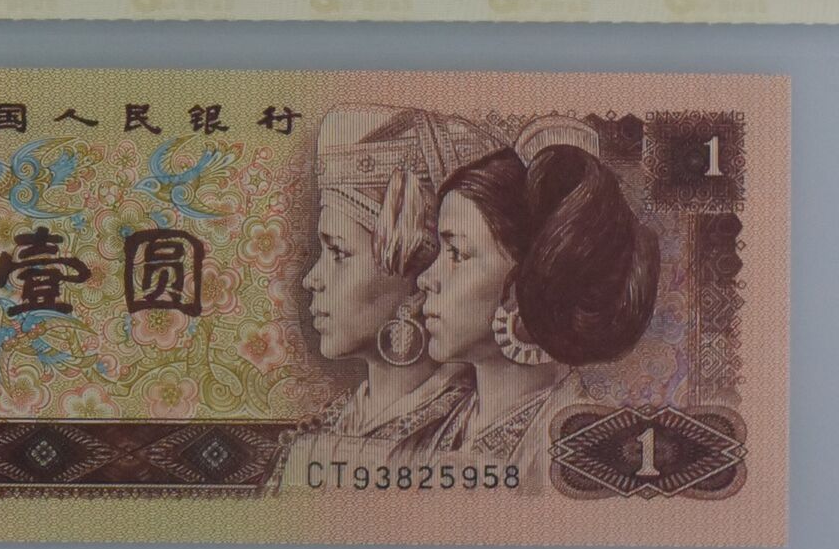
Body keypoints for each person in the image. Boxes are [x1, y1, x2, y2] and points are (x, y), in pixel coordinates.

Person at [401, 114, 660, 493]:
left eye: (457, 253)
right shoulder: (425, 433)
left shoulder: (585, 455)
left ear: (532, 278)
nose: (426, 279)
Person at [279, 106, 502, 484]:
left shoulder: (474, 438)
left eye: (338, 253)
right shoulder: (326, 429)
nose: (312, 280)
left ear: (419, 274)